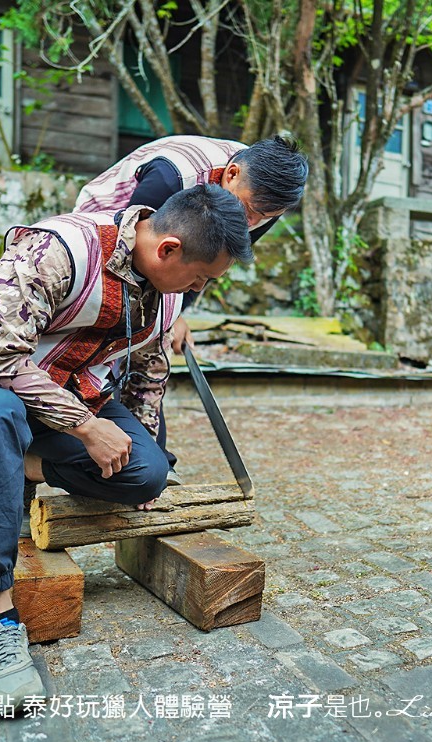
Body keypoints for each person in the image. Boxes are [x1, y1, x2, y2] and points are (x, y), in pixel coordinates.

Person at [0, 185, 251, 715]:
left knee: (144, 475)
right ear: (167, 248)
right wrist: (83, 427)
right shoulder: (62, 248)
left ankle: (21, 462)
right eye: (200, 278)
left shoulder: (166, 292)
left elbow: (149, 375)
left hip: (69, 394)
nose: (198, 289)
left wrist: (143, 445)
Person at [75, 134, 308, 483]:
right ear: (231, 174)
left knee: (153, 348)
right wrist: (167, 313)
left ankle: (153, 462)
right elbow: (138, 243)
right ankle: (84, 443)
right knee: (117, 340)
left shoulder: (262, 204)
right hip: (105, 235)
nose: (252, 222)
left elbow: (213, 260)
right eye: (250, 211)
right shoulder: (173, 178)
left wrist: (179, 312)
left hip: (167, 251)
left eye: (264, 217)